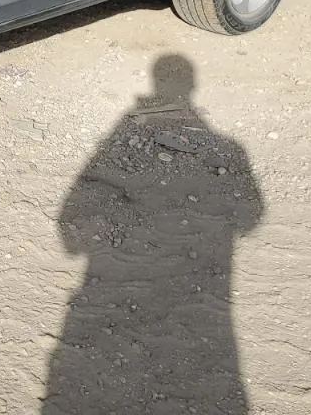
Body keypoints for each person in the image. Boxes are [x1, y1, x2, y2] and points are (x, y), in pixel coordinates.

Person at [43, 54, 264, 414]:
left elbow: (69, 229)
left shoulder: (126, 133)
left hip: (104, 283)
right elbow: (252, 217)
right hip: (204, 296)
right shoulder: (230, 148)